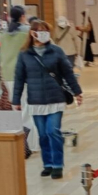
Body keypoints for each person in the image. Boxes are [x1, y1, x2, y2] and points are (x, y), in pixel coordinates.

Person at [12, 20, 83, 180]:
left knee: (53, 131)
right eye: (39, 30)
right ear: (32, 33)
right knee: (43, 134)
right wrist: (16, 100)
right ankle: (48, 164)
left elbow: (68, 73)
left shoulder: (56, 51)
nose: (43, 33)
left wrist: (77, 92)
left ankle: (57, 165)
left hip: (55, 98)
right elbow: (19, 78)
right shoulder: (24, 54)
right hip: (36, 100)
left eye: (45, 30)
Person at [0, 5, 35, 157]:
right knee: (27, 109)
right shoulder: (27, 32)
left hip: (8, 74)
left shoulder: (3, 34)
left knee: (16, 108)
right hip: (24, 74)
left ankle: (18, 143)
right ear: (23, 16)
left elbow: (2, 56)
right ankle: (29, 144)